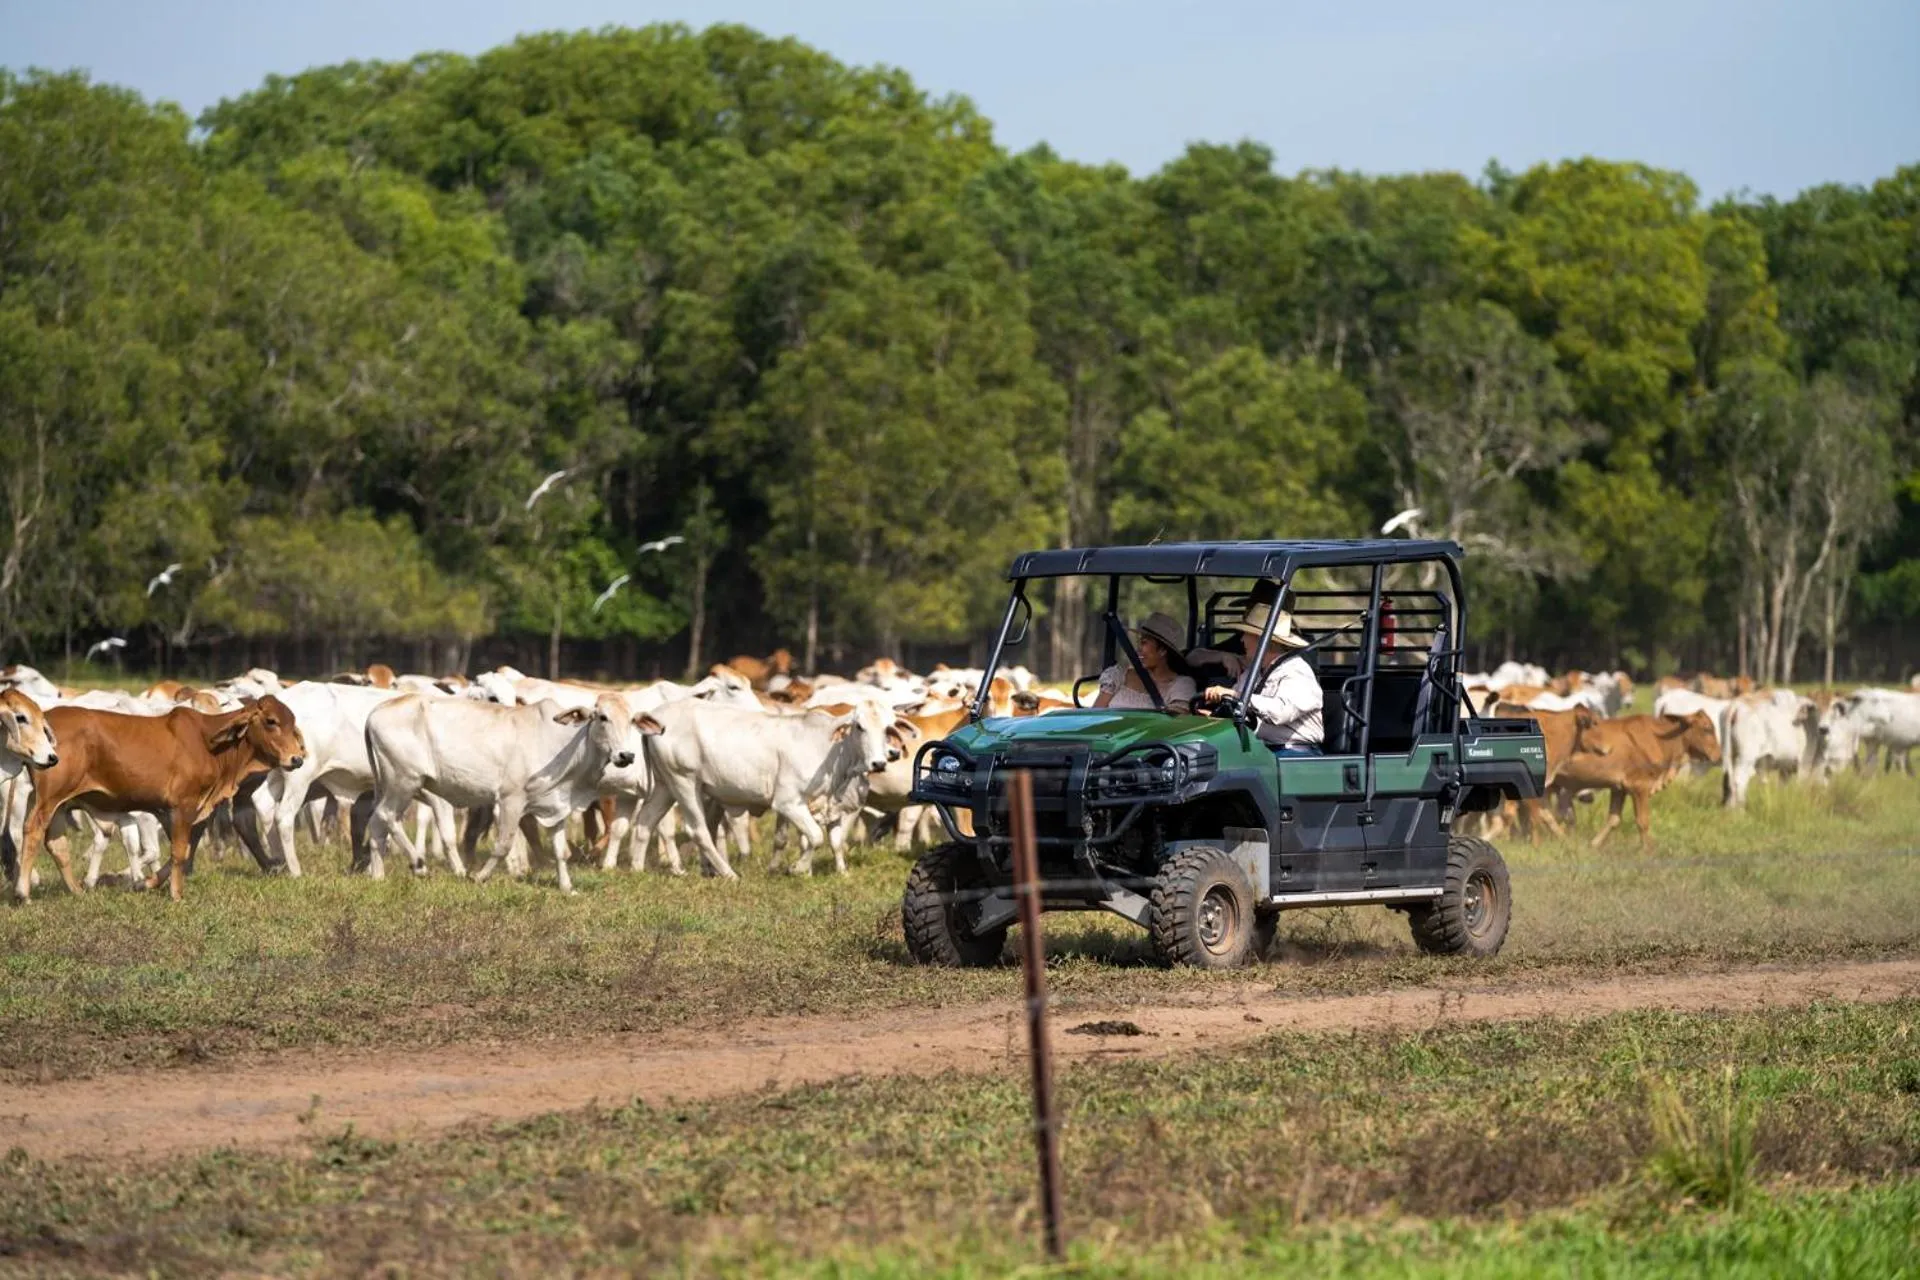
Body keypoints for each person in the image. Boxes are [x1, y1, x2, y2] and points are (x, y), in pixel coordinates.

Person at [1198, 602, 1323, 752]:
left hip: (1294, 754)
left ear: (1263, 640)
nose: (1242, 639)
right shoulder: (1252, 673)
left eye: (1247, 634)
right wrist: (1214, 718)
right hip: (1262, 750)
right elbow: (1235, 708)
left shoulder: (1297, 671)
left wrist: (1235, 695)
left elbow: (1281, 712)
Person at [1093, 611, 1197, 713]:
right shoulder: (1119, 676)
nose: (1138, 649)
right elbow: (1095, 715)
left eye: (1144, 643)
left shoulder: (1181, 685)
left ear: (1162, 651)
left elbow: (1175, 721)